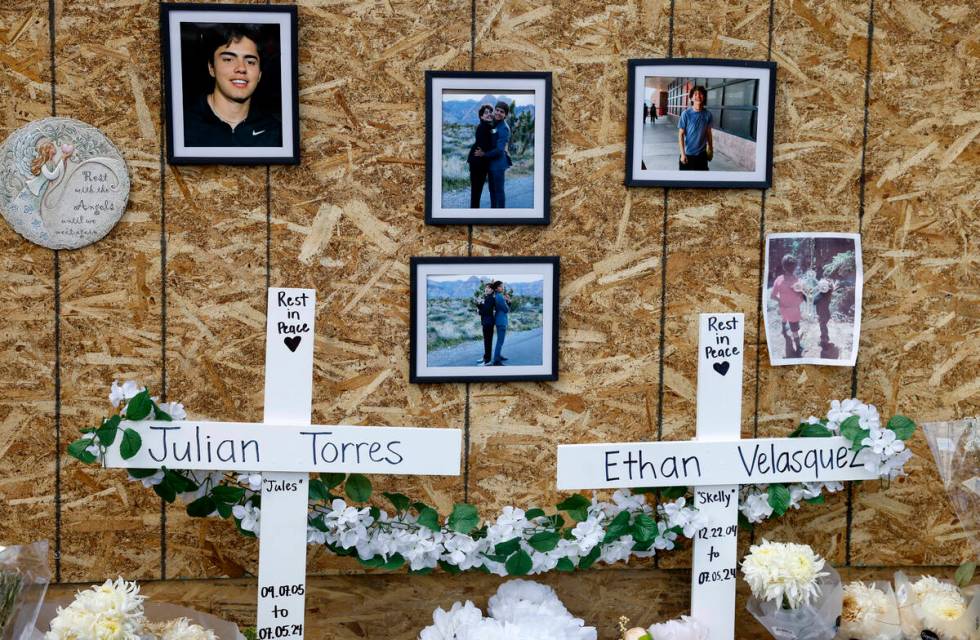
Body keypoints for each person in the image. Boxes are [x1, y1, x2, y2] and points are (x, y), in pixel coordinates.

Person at [183, 24, 282, 147]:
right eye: (228, 59)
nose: (241, 68)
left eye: (250, 62)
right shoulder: (183, 125)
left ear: (260, 74)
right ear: (211, 68)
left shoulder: (276, 132)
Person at [474, 101, 512, 208]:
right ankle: (493, 213)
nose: (499, 113)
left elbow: (500, 150)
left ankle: (500, 216)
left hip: (498, 165)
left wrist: (484, 154)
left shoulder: (504, 128)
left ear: (505, 115)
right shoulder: (494, 122)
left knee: (498, 191)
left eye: (502, 112)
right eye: (497, 110)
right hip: (491, 164)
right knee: (492, 190)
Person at [770, 254, 805, 358]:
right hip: (794, 311)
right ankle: (798, 346)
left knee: (784, 317)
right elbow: (802, 298)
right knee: (794, 330)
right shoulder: (797, 281)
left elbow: (772, 296)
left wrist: (781, 301)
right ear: (794, 267)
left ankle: (783, 328)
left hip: (783, 308)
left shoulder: (778, 280)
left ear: (783, 266)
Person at [677, 85, 713, 171]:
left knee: (702, 182)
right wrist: (682, 154)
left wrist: (711, 148)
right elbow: (681, 135)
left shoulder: (708, 114)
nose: (698, 96)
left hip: (702, 155)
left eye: (700, 94)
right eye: (695, 94)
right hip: (688, 154)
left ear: (704, 97)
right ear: (691, 98)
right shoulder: (686, 114)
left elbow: (708, 133)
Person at [467, 104, 495, 208]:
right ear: (481, 116)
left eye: (490, 112)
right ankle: (473, 218)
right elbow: (485, 145)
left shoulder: (488, 126)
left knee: (476, 191)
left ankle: (473, 216)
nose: (489, 114)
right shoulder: (484, 127)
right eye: (486, 113)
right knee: (476, 191)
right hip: (477, 163)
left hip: (479, 162)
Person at [475, 284, 496, 365]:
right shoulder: (487, 298)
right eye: (486, 287)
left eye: (489, 288)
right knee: (486, 341)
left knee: (488, 342)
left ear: (492, 290)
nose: (486, 289)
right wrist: (478, 303)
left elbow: (486, 311)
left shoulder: (490, 299)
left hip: (488, 322)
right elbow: (484, 308)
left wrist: (478, 311)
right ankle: (485, 357)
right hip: (486, 322)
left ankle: (487, 360)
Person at [491, 281, 510, 365]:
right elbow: (506, 310)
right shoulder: (500, 297)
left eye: (502, 286)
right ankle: (496, 360)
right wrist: (508, 301)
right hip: (501, 321)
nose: (503, 288)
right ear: (496, 288)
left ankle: (498, 356)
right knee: (500, 341)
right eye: (501, 286)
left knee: (500, 340)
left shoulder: (497, 296)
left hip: (499, 320)